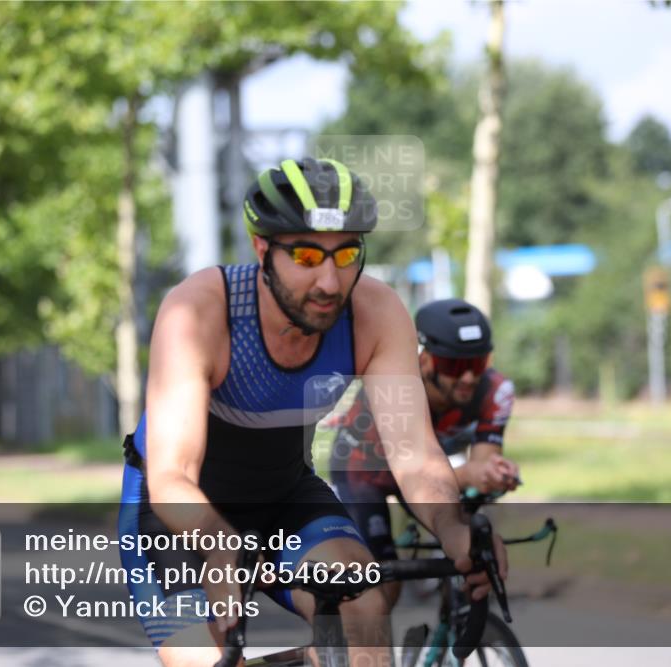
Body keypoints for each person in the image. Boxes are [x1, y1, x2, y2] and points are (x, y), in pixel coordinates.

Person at [117, 158, 508, 666]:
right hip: (179, 514)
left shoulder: (376, 313)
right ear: (262, 249)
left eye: (346, 255)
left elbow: (413, 454)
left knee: (363, 609)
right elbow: (172, 475)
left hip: (285, 496)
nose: (329, 281)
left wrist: (454, 530)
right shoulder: (198, 311)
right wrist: (217, 544)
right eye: (306, 256)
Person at [329, 298, 519, 607]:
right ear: (426, 361)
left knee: (468, 551)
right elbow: (415, 472)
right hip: (362, 473)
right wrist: (470, 474)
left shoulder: (496, 391)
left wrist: (493, 473)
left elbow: (481, 464)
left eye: (478, 364)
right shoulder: (396, 386)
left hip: (424, 468)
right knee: (382, 586)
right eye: (455, 366)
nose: (469, 378)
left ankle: (452, 621)